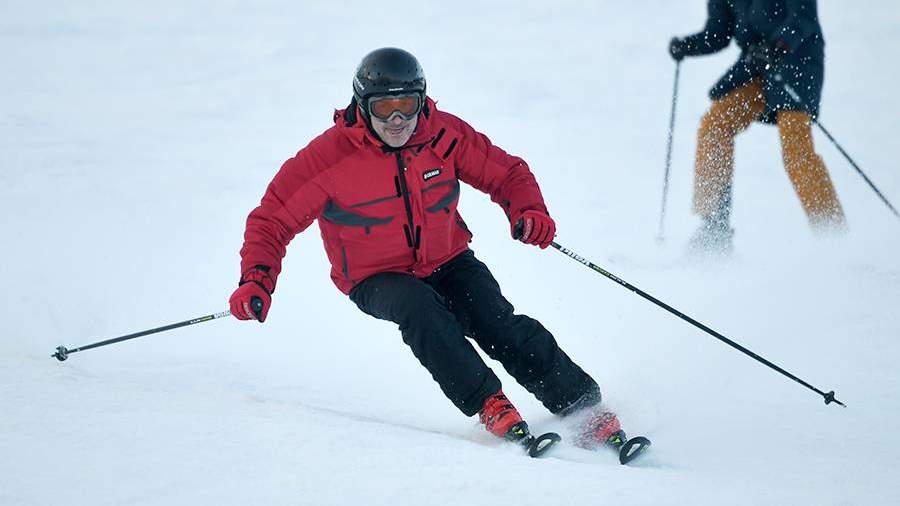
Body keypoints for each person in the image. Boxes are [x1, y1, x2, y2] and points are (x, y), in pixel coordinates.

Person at [228, 48, 624, 449]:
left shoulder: (442, 134)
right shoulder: (326, 159)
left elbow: (508, 173)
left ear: (422, 100)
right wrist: (257, 281)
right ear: (362, 106)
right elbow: (271, 220)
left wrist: (528, 210)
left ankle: (582, 405)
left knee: (495, 320)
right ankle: (489, 402)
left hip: (447, 258)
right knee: (420, 309)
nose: (398, 120)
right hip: (374, 277)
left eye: (407, 105)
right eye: (385, 108)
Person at [669, 0, 846, 253]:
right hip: (757, 68)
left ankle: (834, 235)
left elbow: (803, 18)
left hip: (797, 65)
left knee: (796, 152)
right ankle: (714, 228)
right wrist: (688, 46)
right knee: (715, 125)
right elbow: (718, 33)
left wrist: (779, 45)